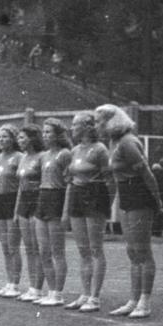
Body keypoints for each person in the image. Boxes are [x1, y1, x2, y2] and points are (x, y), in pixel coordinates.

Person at [95, 104, 163, 318]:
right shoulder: (113, 142)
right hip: (126, 194)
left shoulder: (128, 142)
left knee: (142, 250)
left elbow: (147, 174)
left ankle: (145, 300)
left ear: (111, 121)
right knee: (132, 251)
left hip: (139, 195)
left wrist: (157, 200)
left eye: (99, 121)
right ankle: (133, 299)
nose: (96, 125)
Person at [63, 112, 112, 313]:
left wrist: (108, 206)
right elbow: (69, 179)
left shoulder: (100, 149)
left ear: (87, 126)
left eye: (75, 125)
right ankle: (84, 293)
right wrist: (66, 210)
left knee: (95, 248)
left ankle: (95, 296)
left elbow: (110, 179)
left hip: (94, 195)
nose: (72, 128)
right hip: (76, 195)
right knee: (83, 249)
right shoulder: (74, 150)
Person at [33, 118, 72, 307]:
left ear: (58, 134)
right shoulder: (43, 156)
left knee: (57, 251)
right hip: (43, 198)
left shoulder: (65, 154)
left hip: (57, 199)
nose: (45, 135)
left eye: (49, 132)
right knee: (44, 250)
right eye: (44, 132)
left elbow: (69, 183)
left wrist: (66, 212)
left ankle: (58, 292)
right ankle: (50, 290)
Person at [13, 124, 46, 302]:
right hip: (24, 201)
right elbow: (20, 186)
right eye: (18, 138)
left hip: (37, 200)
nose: (19, 140)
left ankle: (38, 288)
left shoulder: (42, 157)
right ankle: (32, 286)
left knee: (37, 247)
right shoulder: (23, 157)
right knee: (29, 248)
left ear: (32, 138)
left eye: (22, 137)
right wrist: (16, 210)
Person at [0, 124, 24, 298]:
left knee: (13, 246)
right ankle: (8, 281)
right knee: (4, 247)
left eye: (5, 136)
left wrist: (17, 208)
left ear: (13, 138)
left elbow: (22, 184)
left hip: (13, 201)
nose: (2, 139)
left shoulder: (19, 157)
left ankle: (15, 284)